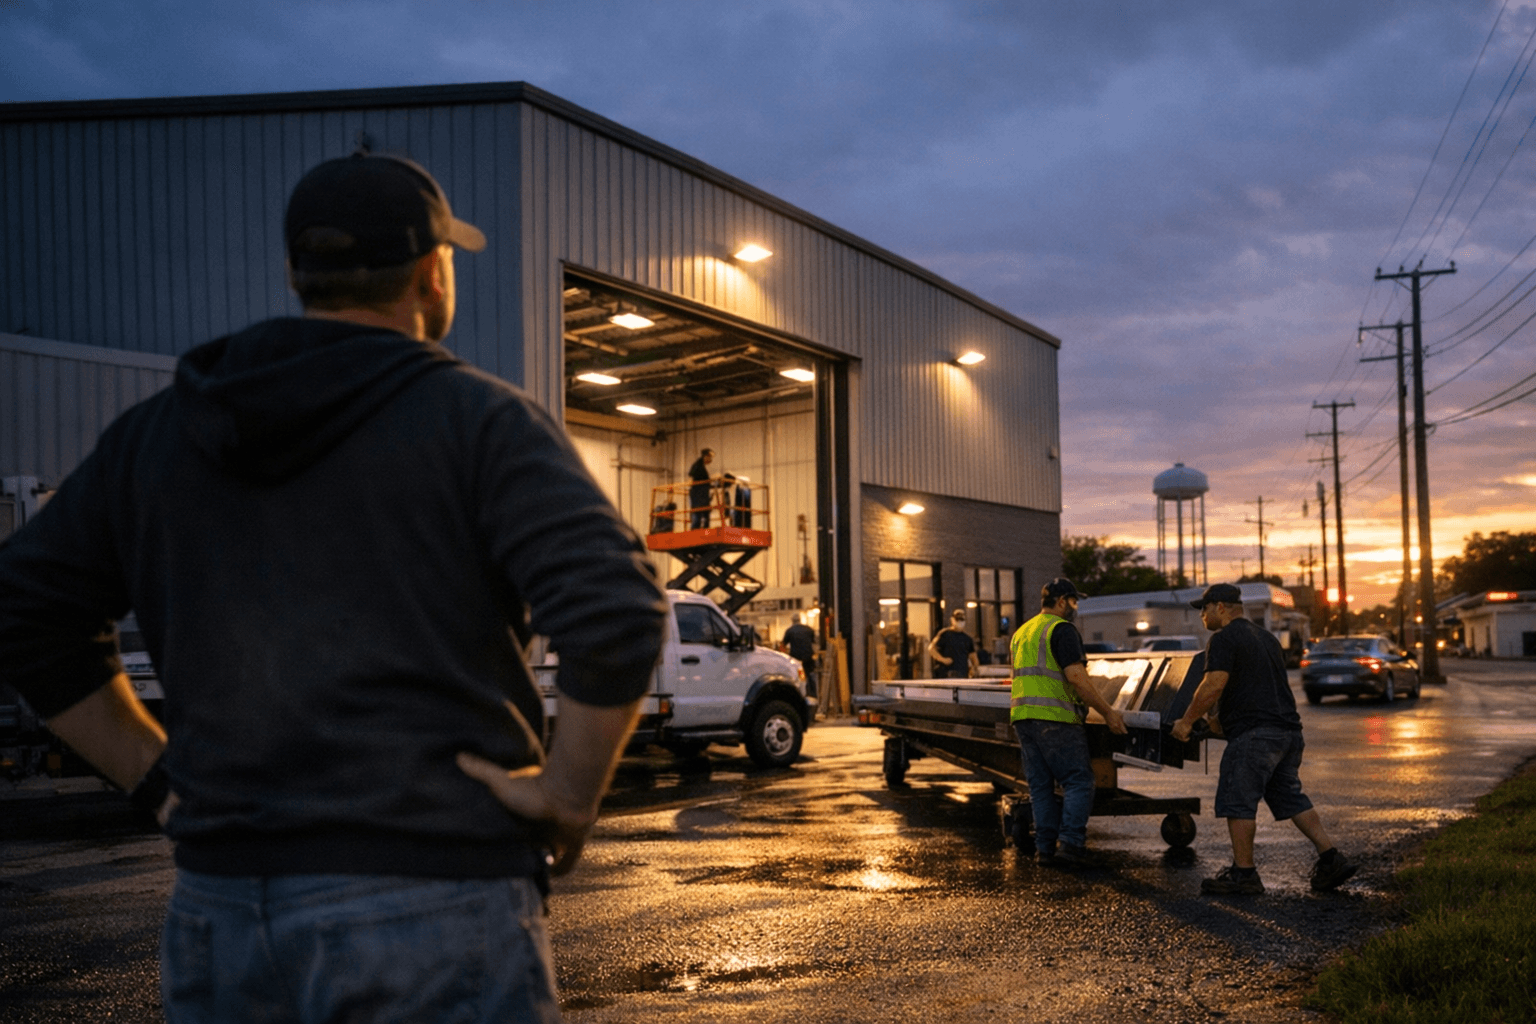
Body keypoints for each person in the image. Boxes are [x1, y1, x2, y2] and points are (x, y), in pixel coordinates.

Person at [0, 152, 668, 1021]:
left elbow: (24, 608)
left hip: (223, 915)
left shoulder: (157, 436)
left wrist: (158, 781)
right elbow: (614, 608)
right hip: (435, 903)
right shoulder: (481, 421)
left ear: (295, 273)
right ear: (433, 275)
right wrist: (567, 797)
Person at [1171, 583, 1357, 895]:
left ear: (1220, 607)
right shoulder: (1267, 639)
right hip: (1287, 733)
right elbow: (1254, 689)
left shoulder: (1223, 639)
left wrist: (1186, 721)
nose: (1201, 615)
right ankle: (1331, 857)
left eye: (1203, 608)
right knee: (1290, 797)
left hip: (1255, 738)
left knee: (1237, 801)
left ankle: (1244, 874)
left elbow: (1214, 684)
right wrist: (1216, 722)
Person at [1010, 577, 1127, 867]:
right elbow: (1076, 677)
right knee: (1078, 780)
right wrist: (1108, 711)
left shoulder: (1022, 632)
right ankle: (1071, 845)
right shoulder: (1061, 630)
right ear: (1061, 601)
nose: (1075, 607)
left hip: (1023, 717)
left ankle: (1045, 850)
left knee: (1040, 787)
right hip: (1056, 717)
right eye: (1073, 601)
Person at [928, 609, 979, 679]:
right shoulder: (945, 634)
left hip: (962, 674)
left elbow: (974, 658)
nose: (959, 622)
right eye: (957, 619)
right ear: (952, 620)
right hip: (945, 674)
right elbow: (931, 649)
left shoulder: (967, 639)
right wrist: (943, 659)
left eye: (962, 620)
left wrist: (974, 668)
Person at [782, 613, 818, 698]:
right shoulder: (809, 629)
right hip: (808, 658)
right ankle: (813, 695)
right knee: (810, 675)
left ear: (792, 621)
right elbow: (815, 643)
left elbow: (782, 645)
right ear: (800, 620)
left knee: (800, 677)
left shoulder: (790, 631)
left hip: (796, 659)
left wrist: (784, 656)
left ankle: (802, 695)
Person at [687, 447, 714, 528]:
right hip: (698, 496)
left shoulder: (700, 466)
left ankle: (703, 530)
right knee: (697, 516)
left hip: (702, 496)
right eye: (710, 457)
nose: (711, 459)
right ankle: (695, 532)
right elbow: (691, 477)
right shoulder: (697, 465)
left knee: (704, 515)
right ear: (705, 456)